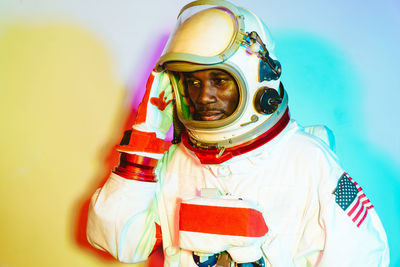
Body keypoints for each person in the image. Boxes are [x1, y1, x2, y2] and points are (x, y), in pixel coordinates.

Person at [86, 0, 389, 266]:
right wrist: (144, 141)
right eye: (192, 82)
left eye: (219, 80)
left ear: (259, 79)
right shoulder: (178, 162)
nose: (204, 96)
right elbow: (118, 241)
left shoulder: (306, 161)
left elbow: (363, 255)